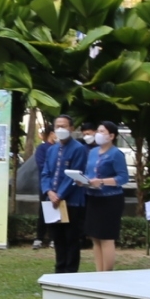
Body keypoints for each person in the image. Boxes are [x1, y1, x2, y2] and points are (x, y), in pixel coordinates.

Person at [38, 115, 89, 274]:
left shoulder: (79, 149)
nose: (61, 130)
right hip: (52, 200)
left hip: (72, 201)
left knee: (71, 239)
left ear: (71, 128)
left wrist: (59, 194)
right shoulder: (52, 149)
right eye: (57, 126)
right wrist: (49, 192)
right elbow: (45, 173)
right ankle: (59, 270)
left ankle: (70, 272)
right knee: (57, 238)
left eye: (64, 126)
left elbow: (75, 175)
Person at [81, 122, 129, 274]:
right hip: (93, 197)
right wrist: (83, 180)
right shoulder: (93, 152)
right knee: (95, 237)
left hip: (110, 199)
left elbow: (123, 178)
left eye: (102, 131)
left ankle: (107, 274)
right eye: (98, 131)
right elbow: (89, 172)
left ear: (111, 136)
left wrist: (102, 181)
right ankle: (98, 272)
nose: (98, 134)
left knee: (106, 237)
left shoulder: (116, 154)